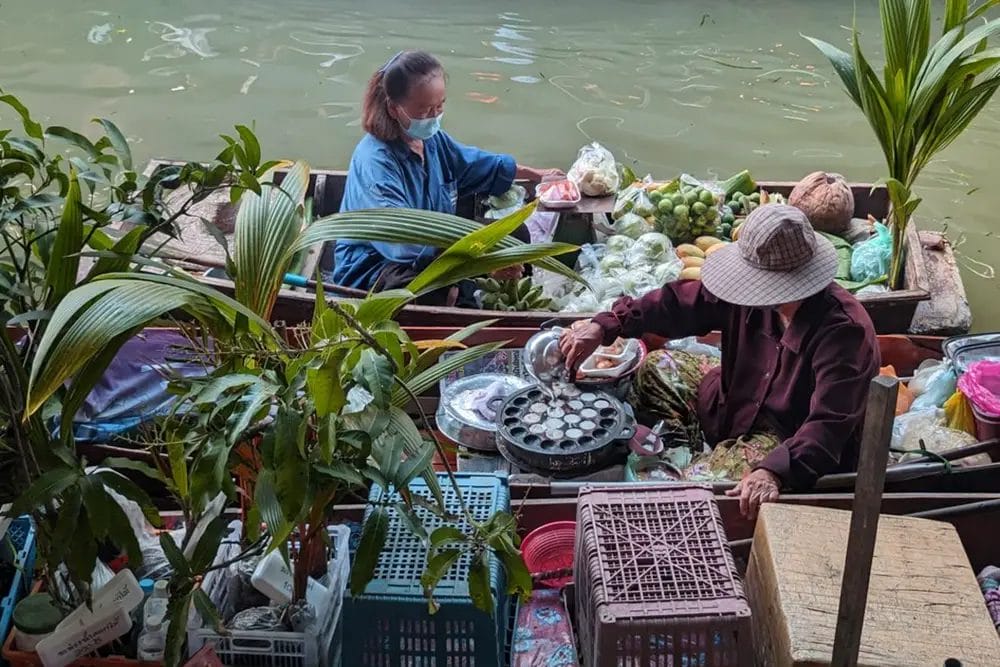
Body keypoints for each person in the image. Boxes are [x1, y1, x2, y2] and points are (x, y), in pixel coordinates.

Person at [560, 204, 880, 519]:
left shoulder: (844, 332)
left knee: (695, 491)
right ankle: (684, 450)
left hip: (786, 439)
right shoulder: (745, 293)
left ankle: (700, 469)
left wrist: (773, 472)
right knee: (657, 367)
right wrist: (605, 325)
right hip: (733, 402)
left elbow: (829, 426)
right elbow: (680, 304)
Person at [332, 50, 563, 304]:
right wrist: (481, 264)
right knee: (431, 291)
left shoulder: (431, 139)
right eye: (423, 110)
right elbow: (401, 242)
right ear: (394, 108)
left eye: (439, 106)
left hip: (434, 247)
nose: (433, 116)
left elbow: (475, 163)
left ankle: (494, 297)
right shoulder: (375, 163)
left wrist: (535, 174)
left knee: (515, 235)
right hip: (379, 266)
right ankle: (462, 305)